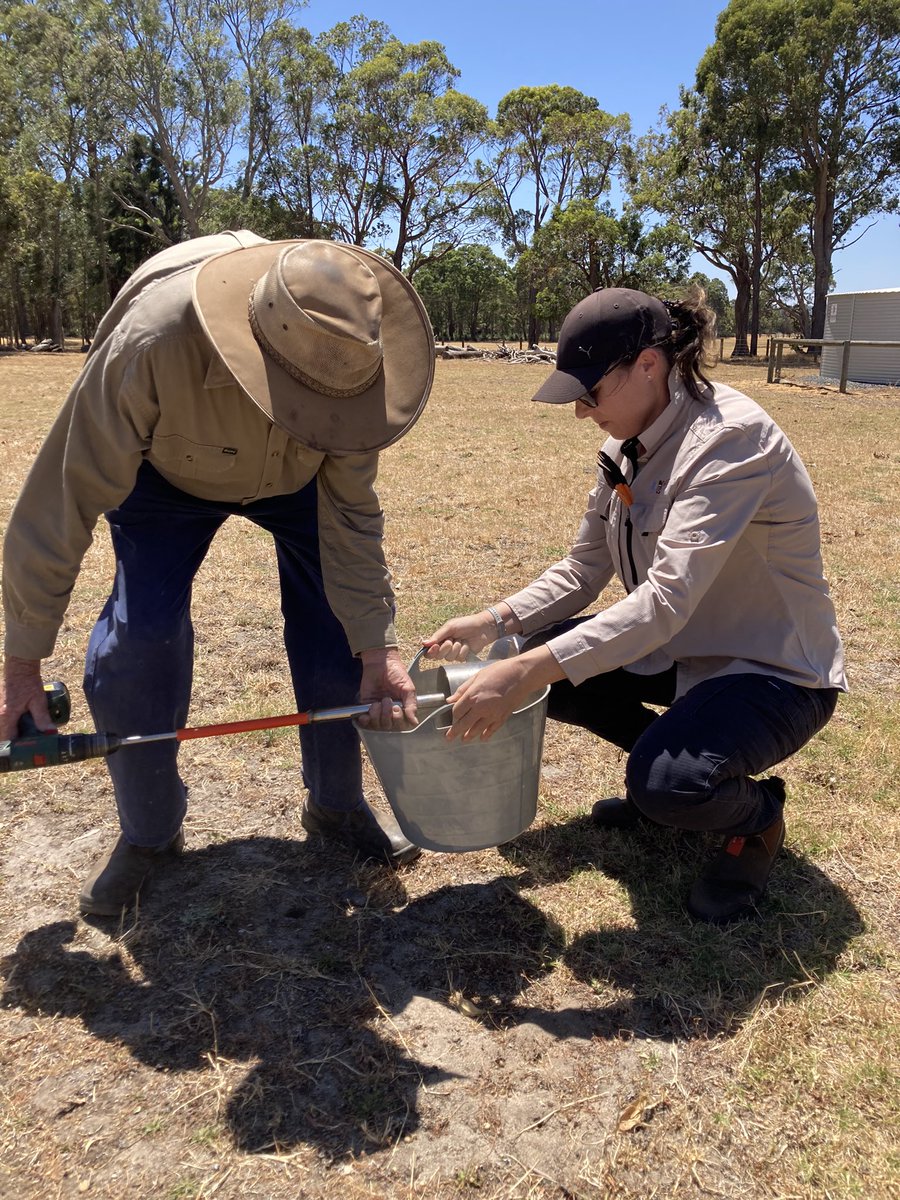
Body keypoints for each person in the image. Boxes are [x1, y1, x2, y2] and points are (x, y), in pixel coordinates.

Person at [1, 231, 436, 916]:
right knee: (135, 641)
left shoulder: (353, 370)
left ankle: (336, 804)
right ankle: (149, 834)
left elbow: (351, 519)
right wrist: (22, 664)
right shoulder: (151, 345)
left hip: (302, 483)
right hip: (163, 472)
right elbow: (60, 500)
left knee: (338, 627)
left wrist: (377, 647)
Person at [425, 286, 845, 924]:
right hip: (683, 652)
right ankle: (676, 784)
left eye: (590, 392)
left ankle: (749, 816)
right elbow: (584, 568)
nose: (581, 412)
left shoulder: (732, 441)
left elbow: (667, 600)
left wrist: (522, 670)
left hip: (773, 672)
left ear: (649, 364)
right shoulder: (629, 447)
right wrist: (494, 624)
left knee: (631, 752)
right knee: (552, 678)